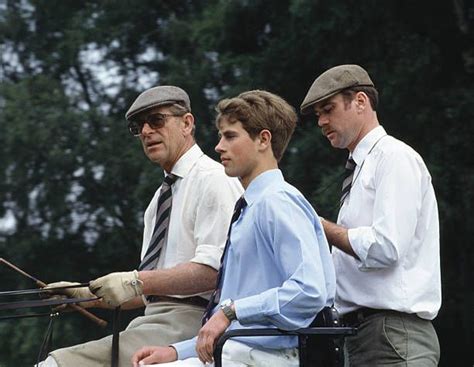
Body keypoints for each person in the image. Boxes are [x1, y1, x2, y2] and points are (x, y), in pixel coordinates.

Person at [38, 86, 243, 367]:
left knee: (56, 364)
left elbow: (214, 272)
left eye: (156, 120)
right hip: (151, 323)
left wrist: (133, 280)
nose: (146, 131)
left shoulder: (213, 179)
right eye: (138, 126)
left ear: (187, 123)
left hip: (196, 323)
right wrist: (85, 295)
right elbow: (148, 291)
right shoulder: (158, 199)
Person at [131, 89, 336, 367]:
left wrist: (231, 310)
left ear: (263, 139)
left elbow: (309, 291)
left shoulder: (278, 202)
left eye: (230, 136)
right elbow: (227, 324)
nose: (218, 147)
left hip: (273, 356)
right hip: (237, 353)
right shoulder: (248, 209)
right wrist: (175, 351)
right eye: (220, 137)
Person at [300, 64, 441, 366]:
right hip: (367, 334)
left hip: (393, 333)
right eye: (317, 115)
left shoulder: (393, 157)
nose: (322, 121)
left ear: (361, 102)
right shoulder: (363, 165)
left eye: (329, 109)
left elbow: (385, 247)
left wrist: (320, 226)